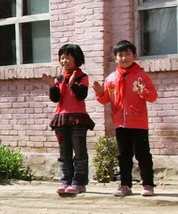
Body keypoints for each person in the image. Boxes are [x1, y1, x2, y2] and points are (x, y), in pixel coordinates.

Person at [93, 40, 158, 197]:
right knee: (124, 156)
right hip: (121, 125)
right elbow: (104, 100)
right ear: (115, 58)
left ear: (134, 56)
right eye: (120, 55)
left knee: (142, 155)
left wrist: (143, 92)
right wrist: (101, 92)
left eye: (127, 54)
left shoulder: (142, 76)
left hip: (139, 123)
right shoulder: (111, 79)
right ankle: (125, 185)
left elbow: (153, 97)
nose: (124, 58)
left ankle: (148, 184)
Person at [49, 43, 94, 195]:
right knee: (64, 152)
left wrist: (73, 83)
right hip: (61, 118)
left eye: (68, 57)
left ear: (77, 59)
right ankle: (65, 181)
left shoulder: (82, 77)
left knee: (79, 152)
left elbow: (82, 95)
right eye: (62, 58)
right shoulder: (59, 77)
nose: (64, 61)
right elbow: (56, 99)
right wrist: (52, 87)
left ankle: (79, 182)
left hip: (77, 119)